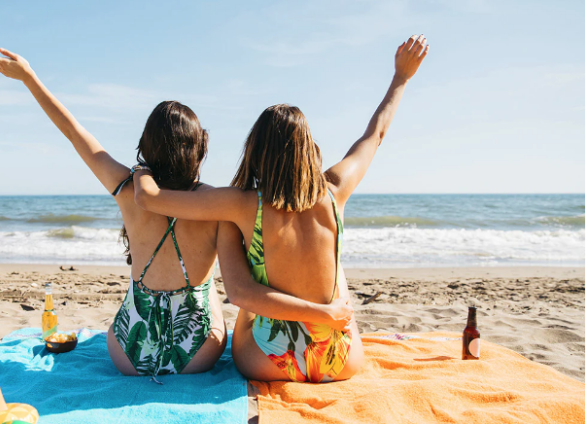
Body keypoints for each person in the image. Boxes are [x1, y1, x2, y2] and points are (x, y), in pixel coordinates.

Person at [0, 47, 351, 381]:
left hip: (128, 354)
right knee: (217, 301)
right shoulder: (218, 207)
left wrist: (29, 78)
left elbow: (75, 134)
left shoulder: (127, 189)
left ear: (145, 145)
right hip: (198, 356)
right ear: (200, 148)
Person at [133, 35, 429, 382]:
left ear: (255, 150)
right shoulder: (335, 190)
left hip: (271, 362)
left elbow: (149, 198)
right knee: (337, 272)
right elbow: (375, 134)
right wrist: (401, 78)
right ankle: (326, 319)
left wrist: (142, 169)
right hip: (339, 359)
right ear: (308, 148)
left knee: (246, 298)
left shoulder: (242, 204)